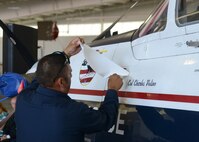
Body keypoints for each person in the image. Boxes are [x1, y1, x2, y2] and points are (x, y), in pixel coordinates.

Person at [15, 37, 123, 142]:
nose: (71, 76)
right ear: (61, 82)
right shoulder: (73, 111)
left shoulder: (23, 98)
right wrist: (112, 90)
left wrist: (66, 53)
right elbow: (106, 120)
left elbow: (40, 76)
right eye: (70, 74)